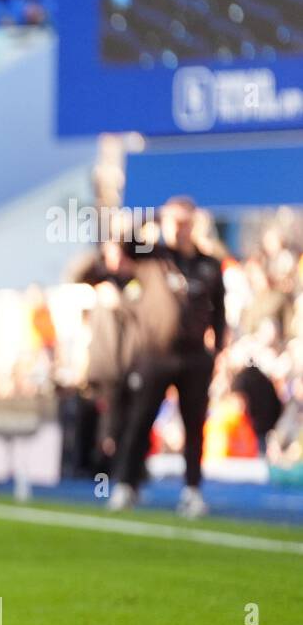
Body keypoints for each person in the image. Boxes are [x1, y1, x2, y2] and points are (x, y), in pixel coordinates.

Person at [110, 196, 226, 517]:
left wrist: (217, 350)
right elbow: (126, 243)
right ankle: (126, 483)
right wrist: (149, 220)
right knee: (140, 420)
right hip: (156, 356)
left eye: (185, 223)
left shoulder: (208, 265)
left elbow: (220, 311)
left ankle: (191, 490)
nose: (179, 230)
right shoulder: (153, 257)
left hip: (193, 358)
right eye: (174, 223)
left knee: (194, 426)